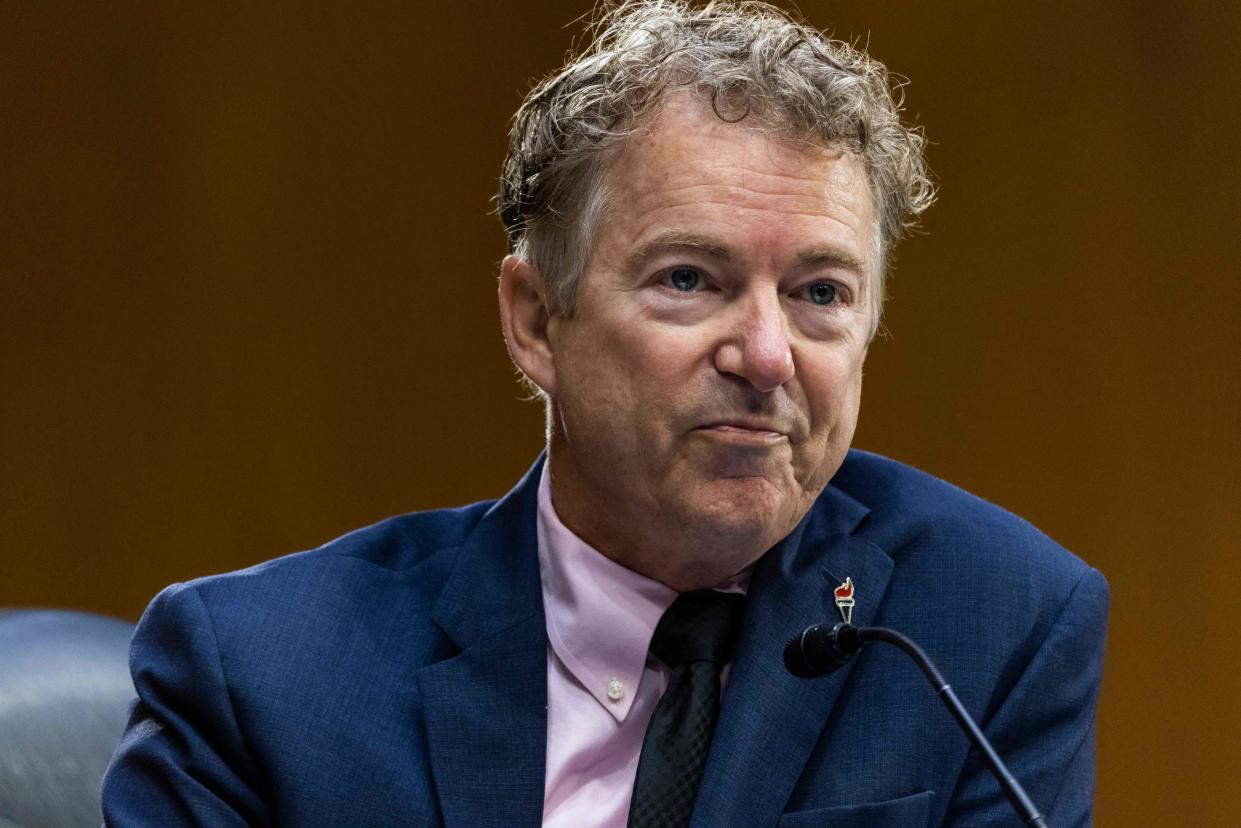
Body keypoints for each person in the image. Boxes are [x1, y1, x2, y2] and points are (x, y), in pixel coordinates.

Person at [102, 2, 1109, 826]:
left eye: (819, 293)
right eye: (687, 278)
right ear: (537, 321)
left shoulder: (990, 624)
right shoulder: (263, 679)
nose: (765, 356)